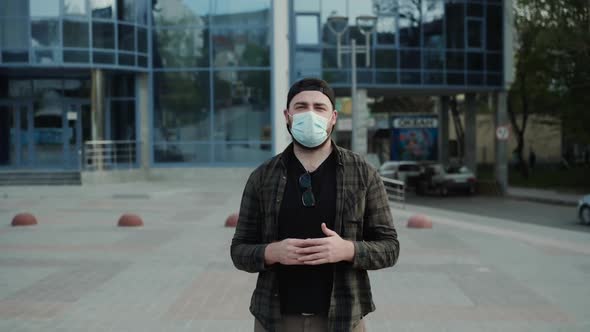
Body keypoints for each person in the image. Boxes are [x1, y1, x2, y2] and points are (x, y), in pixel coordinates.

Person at [230, 78, 400, 332]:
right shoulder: (263, 176)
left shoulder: (364, 173)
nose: (310, 114)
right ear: (287, 116)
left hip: (344, 318)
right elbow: (239, 250)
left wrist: (348, 250)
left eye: (319, 107)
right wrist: (271, 253)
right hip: (275, 319)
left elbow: (390, 248)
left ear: (333, 117)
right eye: (301, 106)